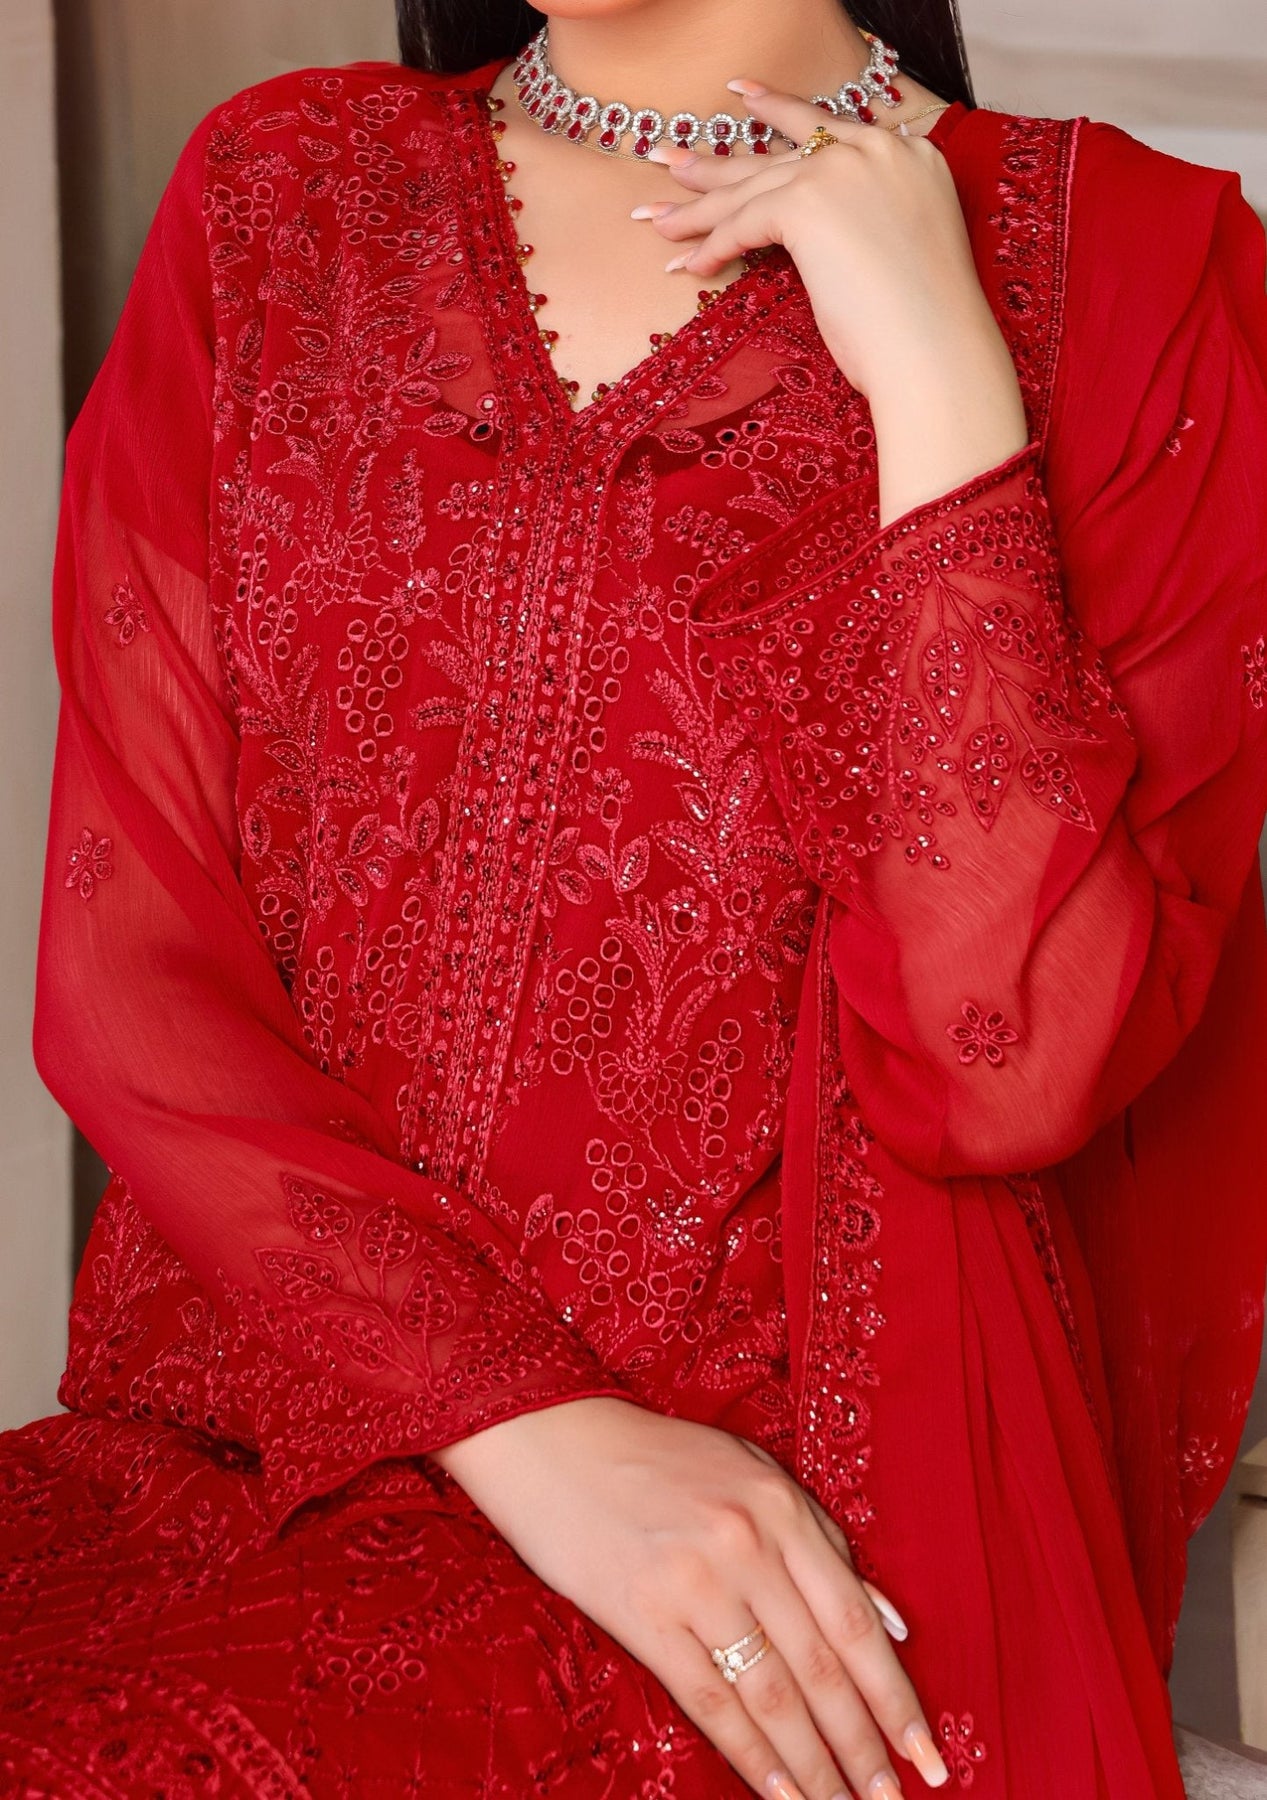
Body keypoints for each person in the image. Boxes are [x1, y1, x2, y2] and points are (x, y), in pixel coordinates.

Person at [1, 0, 1265, 1793]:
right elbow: (133, 979)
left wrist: (936, 372)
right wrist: (529, 1431)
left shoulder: (1130, 260)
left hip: (791, 1553)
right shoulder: (283, 192)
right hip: (250, 1428)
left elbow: (1004, 1061)